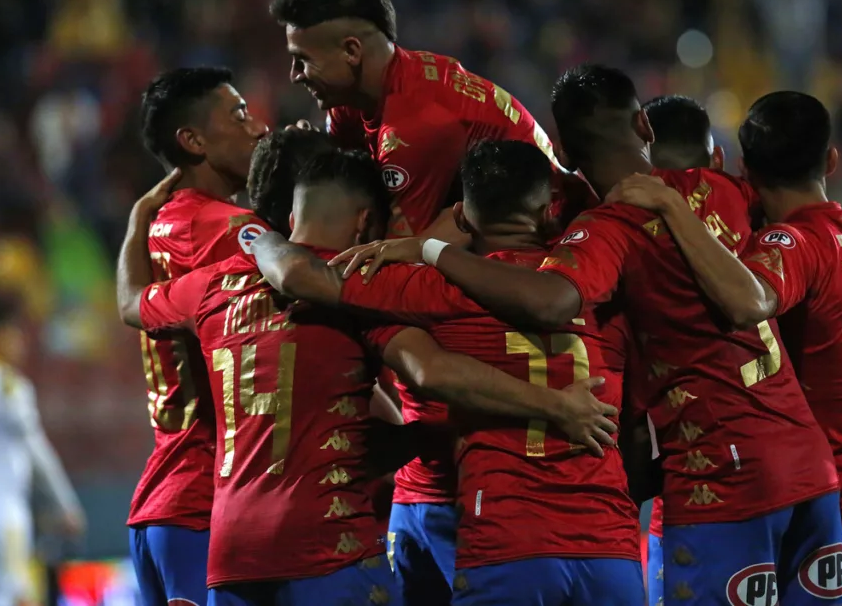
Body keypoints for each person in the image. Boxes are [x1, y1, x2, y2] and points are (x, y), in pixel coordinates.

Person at [334, 65, 842, 606]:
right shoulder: (726, 190)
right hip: (809, 464)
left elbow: (549, 301)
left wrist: (431, 250)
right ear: (644, 126)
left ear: (568, 159)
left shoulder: (608, 230)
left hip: (723, 470)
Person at [116, 128, 615, 605]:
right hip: (331, 549)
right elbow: (431, 372)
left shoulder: (211, 286)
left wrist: (139, 218)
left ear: (293, 214)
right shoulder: (359, 295)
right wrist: (548, 406)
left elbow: (131, 304)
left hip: (232, 553)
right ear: (364, 224)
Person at [268, 0, 596, 603]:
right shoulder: (362, 104)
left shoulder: (415, 125)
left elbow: (402, 253)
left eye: (302, 58)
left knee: (359, 294)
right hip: (487, 243)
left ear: (353, 50)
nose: (294, 75)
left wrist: (293, 261)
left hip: (537, 252)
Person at [251, 139, 644, 606]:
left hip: (506, 539)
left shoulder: (435, 291)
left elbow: (300, 274)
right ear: (547, 212)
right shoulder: (603, 292)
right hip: (610, 547)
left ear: (462, 217)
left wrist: (263, 237)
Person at [610, 92, 842, 606]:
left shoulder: (793, 245)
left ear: (742, 168)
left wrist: (674, 206)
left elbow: (750, 299)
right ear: (831, 159)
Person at [128, 66, 270, 606]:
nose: (258, 128)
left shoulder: (161, 223)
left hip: (166, 500)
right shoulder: (223, 230)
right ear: (192, 140)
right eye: (238, 115)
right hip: (204, 505)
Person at [638, 93, 724, 606]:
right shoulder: (750, 211)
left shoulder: (620, 230)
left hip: (691, 490)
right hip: (796, 479)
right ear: (716, 160)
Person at [0, 296, 85, 606]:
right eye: (13, 332)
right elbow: (35, 448)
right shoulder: (7, 385)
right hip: (2, 515)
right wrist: (63, 504)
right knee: (16, 598)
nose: (20, 341)